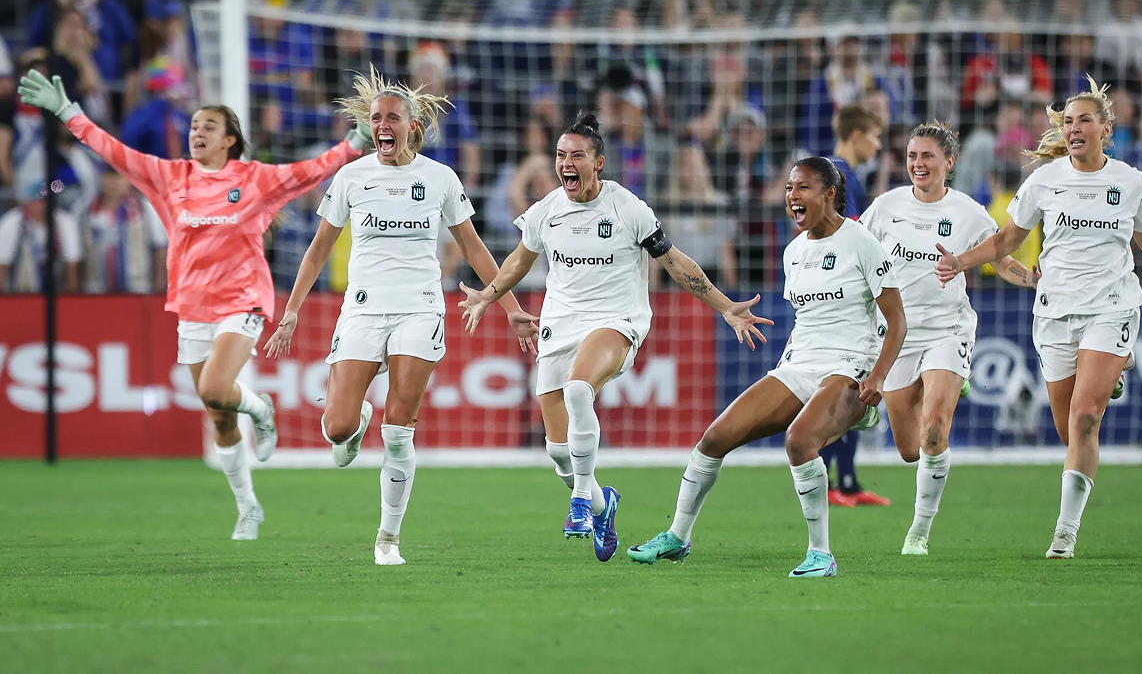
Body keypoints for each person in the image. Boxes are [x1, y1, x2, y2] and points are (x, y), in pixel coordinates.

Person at [16, 68, 370, 541]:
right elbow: (112, 151)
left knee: (214, 388)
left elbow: (308, 172)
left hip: (242, 300)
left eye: (208, 126)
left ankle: (262, 411)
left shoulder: (255, 180)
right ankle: (248, 508)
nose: (196, 131)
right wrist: (68, 112)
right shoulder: (169, 177)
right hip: (192, 306)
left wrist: (351, 146)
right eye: (194, 125)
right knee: (220, 417)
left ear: (229, 139)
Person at [935, 77, 1142, 559]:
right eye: (1069, 122)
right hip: (1054, 311)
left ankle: (1065, 534)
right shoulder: (1045, 181)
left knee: (1085, 417)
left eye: (1084, 121)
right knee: (1068, 431)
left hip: (1112, 304)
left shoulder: (1129, 181)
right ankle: (1114, 372)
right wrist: (960, 261)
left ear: (1106, 128)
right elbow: (1006, 241)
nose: (1074, 129)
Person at [459, 112, 771, 562]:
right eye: (561, 155)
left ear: (598, 162)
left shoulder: (628, 208)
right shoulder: (546, 211)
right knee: (558, 453)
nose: (567, 163)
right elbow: (519, 263)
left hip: (616, 320)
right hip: (559, 324)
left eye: (577, 156)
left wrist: (725, 307)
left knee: (579, 389)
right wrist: (489, 297)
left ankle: (582, 504)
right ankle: (603, 502)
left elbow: (675, 262)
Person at [264, 67, 538, 566]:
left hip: (419, 307)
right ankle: (354, 419)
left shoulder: (439, 179)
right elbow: (318, 249)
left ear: (413, 126)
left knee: (399, 427)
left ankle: (387, 540)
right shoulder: (351, 176)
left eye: (392, 118)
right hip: (363, 309)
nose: (382, 126)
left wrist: (512, 308)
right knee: (336, 427)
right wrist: (290, 314)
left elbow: (474, 249)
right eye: (375, 119)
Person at [628, 157, 906, 576]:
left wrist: (879, 376)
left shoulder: (862, 243)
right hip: (799, 366)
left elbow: (897, 319)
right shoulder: (793, 253)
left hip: (850, 366)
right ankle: (677, 537)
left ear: (829, 193)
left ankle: (821, 554)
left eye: (803, 188)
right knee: (714, 438)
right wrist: (787, 363)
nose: (792, 196)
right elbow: (807, 319)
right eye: (789, 188)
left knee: (799, 441)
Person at [860, 122, 1040, 555]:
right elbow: (856, 255)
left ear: (949, 163)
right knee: (909, 449)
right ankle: (932, 389)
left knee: (935, 429)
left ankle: (918, 533)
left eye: (927, 156)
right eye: (912, 156)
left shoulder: (968, 212)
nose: (918, 164)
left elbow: (1000, 258)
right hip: (898, 335)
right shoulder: (885, 208)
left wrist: (1032, 279)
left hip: (948, 326)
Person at [820, 103, 889, 507]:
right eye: (876, 137)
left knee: (856, 386)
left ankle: (846, 481)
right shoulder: (838, 175)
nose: (879, 146)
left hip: (845, 290)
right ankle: (827, 481)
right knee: (840, 385)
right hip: (838, 296)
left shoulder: (845, 174)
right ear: (858, 135)